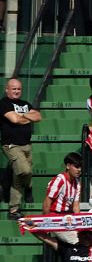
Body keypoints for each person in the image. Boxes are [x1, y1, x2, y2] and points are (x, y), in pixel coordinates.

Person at [2, 77, 41, 222]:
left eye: (19, 89)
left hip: (27, 145)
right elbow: (14, 120)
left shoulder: (25, 104)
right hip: (12, 145)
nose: (17, 91)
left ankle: (14, 210)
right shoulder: (4, 103)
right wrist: (27, 116)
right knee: (25, 171)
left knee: (18, 176)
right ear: (7, 89)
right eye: (14, 89)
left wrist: (22, 115)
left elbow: (38, 116)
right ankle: (28, 186)